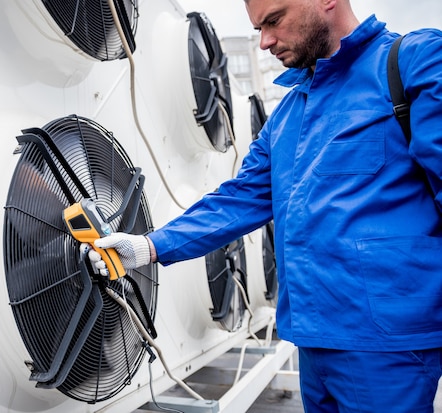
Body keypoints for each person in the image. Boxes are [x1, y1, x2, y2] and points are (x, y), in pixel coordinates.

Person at [91, 0, 442, 412]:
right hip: (311, 343)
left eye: (273, 21)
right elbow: (237, 199)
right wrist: (148, 247)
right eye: (258, 28)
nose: (264, 42)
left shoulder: (411, 64)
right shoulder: (286, 116)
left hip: (387, 348)